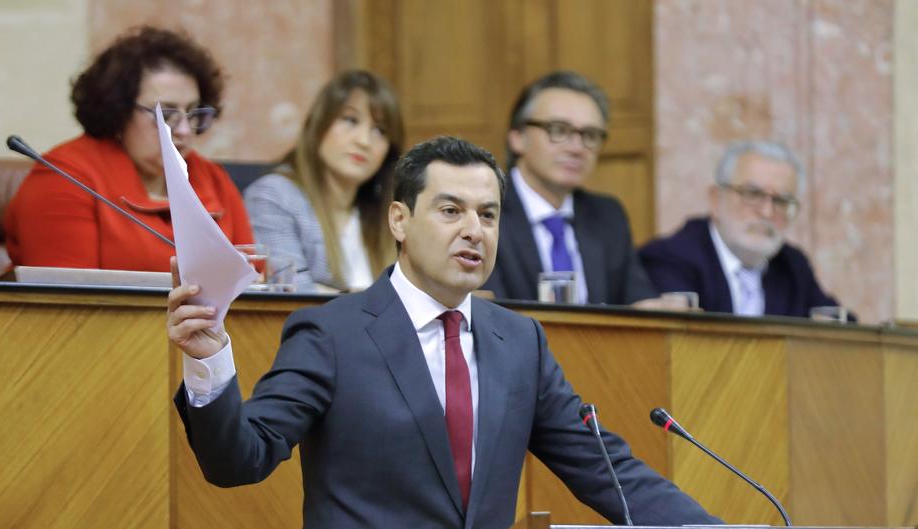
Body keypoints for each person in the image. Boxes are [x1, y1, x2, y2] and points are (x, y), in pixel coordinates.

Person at [168, 136, 721, 528]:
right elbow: (239, 461)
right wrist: (209, 364)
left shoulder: (520, 343)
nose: (473, 232)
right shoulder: (332, 332)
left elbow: (608, 473)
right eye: (451, 210)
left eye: (488, 214)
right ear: (400, 221)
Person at [5, 26, 253, 272]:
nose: (185, 130)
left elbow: (256, 281)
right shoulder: (64, 176)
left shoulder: (212, 179)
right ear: (119, 111)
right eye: (166, 115)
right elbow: (68, 304)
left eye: (193, 113)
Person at [483, 71, 663, 306]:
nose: (577, 148)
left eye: (589, 135)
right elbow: (488, 315)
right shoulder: (485, 211)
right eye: (558, 130)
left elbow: (638, 303)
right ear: (518, 137)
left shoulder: (607, 216)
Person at [639, 140, 847, 317]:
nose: (767, 212)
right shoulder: (671, 259)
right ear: (715, 200)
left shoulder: (792, 265)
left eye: (781, 201)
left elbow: (841, 323)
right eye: (752, 194)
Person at [243, 70, 404, 291]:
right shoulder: (274, 196)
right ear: (320, 126)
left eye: (379, 130)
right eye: (350, 120)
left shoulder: (391, 213)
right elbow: (290, 292)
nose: (364, 141)